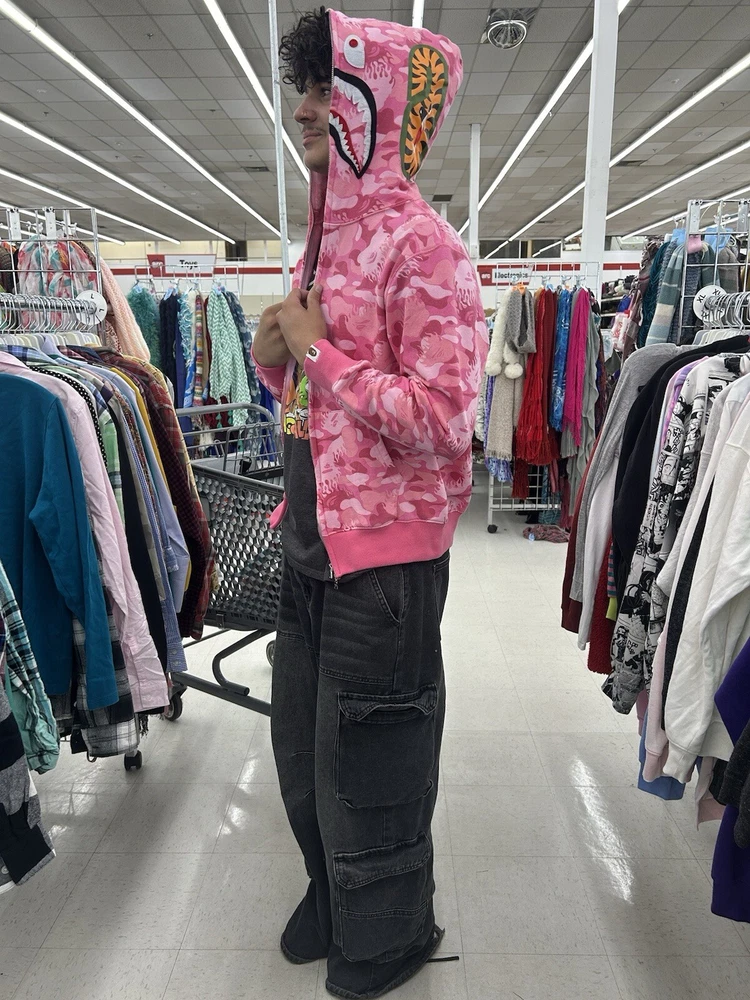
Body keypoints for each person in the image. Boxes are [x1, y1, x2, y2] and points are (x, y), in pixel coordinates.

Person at [252, 8, 488, 998]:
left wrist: (318, 355)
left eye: (323, 89)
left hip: (384, 571)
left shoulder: (424, 249)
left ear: (375, 105)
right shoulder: (326, 241)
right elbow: (317, 405)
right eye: (301, 89)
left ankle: (391, 932)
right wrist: (276, 363)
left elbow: (446, 419)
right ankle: (332, 893)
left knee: (373, 769)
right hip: (311, 550)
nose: (303, 109)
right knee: (303, 757)